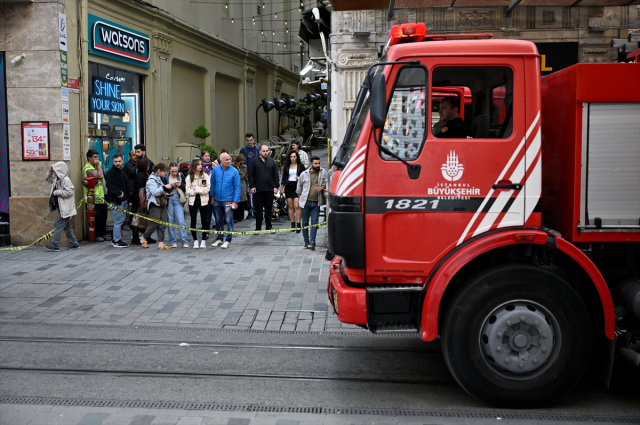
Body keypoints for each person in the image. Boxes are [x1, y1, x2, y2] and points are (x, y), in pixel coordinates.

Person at [44, 162, 80, 251]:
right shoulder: (56, 179)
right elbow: (47, 178)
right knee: (67, 227)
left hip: (66, 208)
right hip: (62, 207)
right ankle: (74, 243)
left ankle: (55, 245)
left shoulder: (66, 180)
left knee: (58, 225)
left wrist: (58, 192)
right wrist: (50, 170)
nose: (54, 173)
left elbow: (70, 192)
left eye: (55, 171)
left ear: (60, 171)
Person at [209, 152, 241, 249]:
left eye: (229, 159)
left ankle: (228, 240)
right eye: (226, 160)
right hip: (217, 199)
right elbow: (213, 184)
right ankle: (219, 238)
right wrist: (212, 196)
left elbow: (237, 187)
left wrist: (235, 201)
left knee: (229, 221)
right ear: (221, 161)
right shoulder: (215, 170)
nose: (228, 161)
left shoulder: (234, 171)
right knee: (218, 220)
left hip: (229, 200)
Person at [297, 156, 327, 251]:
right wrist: (301, 201)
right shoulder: (304, 174)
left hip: (316, 203)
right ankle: (306, 241)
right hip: (306, 203)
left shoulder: (323, 172)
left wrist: (321, 188)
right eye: (315, 163)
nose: (318, 165)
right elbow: (299, 189)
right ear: (311, 164)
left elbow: (327, 183)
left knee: (314, 222)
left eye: (319, 163)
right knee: (305, 222)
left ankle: (312, 242)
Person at [248, 144, 279, 232]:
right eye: (264, 151)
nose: (266, 153)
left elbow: (276, 174)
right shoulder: (254, 162)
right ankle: (258, 227)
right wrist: (252, 186)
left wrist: (276, 186)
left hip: (269, 189)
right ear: (259, 152)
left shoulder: (272, 161)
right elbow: (251, 175)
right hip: (258, 189)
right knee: (258, 209)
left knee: (269, 209)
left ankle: (269, 226)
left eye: (267, 151)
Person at [141, 163, 170, 249]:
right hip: (154, 204)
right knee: (154, 223)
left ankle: (161, 242)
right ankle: (144, 238)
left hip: (161, 203)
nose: (166, 173)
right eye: (165, 171)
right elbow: (154, 192)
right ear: (158, 171)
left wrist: (165, 193)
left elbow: (159, 191)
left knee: (163, 222)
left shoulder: (159, 179)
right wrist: (164, 188)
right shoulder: (151, 180)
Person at [83, 149, 110, 242]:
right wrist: (98, 166)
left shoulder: (96, 166)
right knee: (97, 218)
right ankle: (98, 234)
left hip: (101, 196)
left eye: (98, 157)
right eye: (95, 157)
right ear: (89, 158)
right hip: (94, 198)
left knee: (103, 216)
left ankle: (103, 233)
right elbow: (99, 175)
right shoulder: (88, 168)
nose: (97, 159)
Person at [105, 153, 131, 248]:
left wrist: (127, 198)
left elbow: (126, 185)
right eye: (116, 161)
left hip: (123, 200)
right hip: (116, 200)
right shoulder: (111, 172)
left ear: (122, 161)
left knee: (120, 220)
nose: (118, 163)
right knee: (118, 220)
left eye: (119, 161)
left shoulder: (122, 171)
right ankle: (116, 240)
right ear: (113, 162)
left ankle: (116, 238)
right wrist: (118, 193)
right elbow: (109, 184)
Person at [185, 158, 210, 248]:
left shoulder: (205, 176)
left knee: (204, 220)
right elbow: (187, 191)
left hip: (203, 201)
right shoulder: (189, 177)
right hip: (193, 201)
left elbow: (207, 189)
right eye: (198, 164)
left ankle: (203, 240)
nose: (200, 166)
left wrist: (195, 188)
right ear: (194, 166)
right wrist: (200, 188)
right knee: (193, 220)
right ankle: (195, 240)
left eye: (201, 164)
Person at [279, 150, 306, 233]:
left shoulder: (301, 166)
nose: (293, 158)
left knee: (297, 206)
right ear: (289, 158)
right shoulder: (287, 166)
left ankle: (298, 224)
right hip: (288, 186)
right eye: (291, 157)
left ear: (297, 157)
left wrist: (300, 178)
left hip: (297, 186)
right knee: (290, 206)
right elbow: (284, 178)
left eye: (294, 156)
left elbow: (305, 175)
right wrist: (282, 187)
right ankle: (292, 224)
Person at [165, 162, 190, 248]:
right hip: (169, 199)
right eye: (172, 171)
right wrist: (172, 185)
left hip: (178, 199)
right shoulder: (166, 177)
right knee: (170, 220)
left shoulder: (181, 175)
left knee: (180, 220)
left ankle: (184, 241)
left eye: (176, 171)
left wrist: (180, 185)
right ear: (169, 170)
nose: (174, 173)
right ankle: (173, 242)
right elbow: (164, 188)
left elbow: (186, 187)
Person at [130, 158, 150, 245]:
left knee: (141, 217)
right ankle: (135, 238)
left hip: (139, 198)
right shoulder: (141, 176)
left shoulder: (142, 174)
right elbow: (141, 191)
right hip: (138, 199)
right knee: (137, 218)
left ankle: (145, 236)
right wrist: (143, 202)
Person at [240, 133, 259, 219]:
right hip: (246, 174)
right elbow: (240, 162)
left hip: (256, 173)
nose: (249, 142)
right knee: (248, 193)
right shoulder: (243, 150)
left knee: (255, 193)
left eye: (251, 140)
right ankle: (250, 211)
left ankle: (255, 210)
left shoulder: (257, 149)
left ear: (253, 139)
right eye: (247, 140)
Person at [123, 150, 138, 230]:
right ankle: (126, 224)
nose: (135, 156)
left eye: (136, 155)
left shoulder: (138, 164)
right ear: (130, 156)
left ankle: (132, 222)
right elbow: (134, 172)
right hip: (129, 189)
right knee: (126, 206)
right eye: (134, 155)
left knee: (135, 207)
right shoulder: (128, 165)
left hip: (135, 189)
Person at [232, 154, 248, 222]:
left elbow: (246, 176)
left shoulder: (244, 167)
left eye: (243, 162)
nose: (241, 164)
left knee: (242, 201)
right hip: (234, 184)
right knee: (235, 200)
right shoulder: (232, 166)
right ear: (237, 161)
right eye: (240, 162)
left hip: (243, 184)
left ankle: (241, 216)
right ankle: (236, 217)